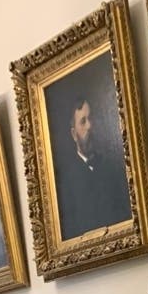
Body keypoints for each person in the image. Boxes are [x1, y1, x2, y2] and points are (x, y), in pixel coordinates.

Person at [56, 97, 132, 241]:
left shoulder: (114, 169)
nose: (89, 126)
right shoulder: (66, 181)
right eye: (83, 122)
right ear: (74, 134)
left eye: (91, 119)